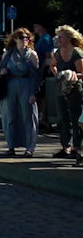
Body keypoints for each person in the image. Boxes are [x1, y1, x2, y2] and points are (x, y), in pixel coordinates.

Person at [0, 28, 39, 157]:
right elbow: (0, 70)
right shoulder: (8, 54)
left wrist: (33, 93)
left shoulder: (32, 55)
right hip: (10, 85)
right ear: (15, 39)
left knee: (28, 116)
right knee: (9, 115)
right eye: (21, 38)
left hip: (26, 84)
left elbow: (35, 76)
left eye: (27, 38)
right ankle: (11, 146)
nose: (24, 40)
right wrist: (3, 73)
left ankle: (29, 148)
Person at [49, 25, 83, 162]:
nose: (59, 40)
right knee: (62, 117)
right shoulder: (58, 53)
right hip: (61, 88)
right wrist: (58, 75)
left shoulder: (77, 53)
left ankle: (77, 147)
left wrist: (72, 75)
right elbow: (52, 65)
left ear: (69, 38)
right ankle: (65, 146)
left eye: (61, 37)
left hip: (74, 88)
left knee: (75, 118)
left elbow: (82, 73)